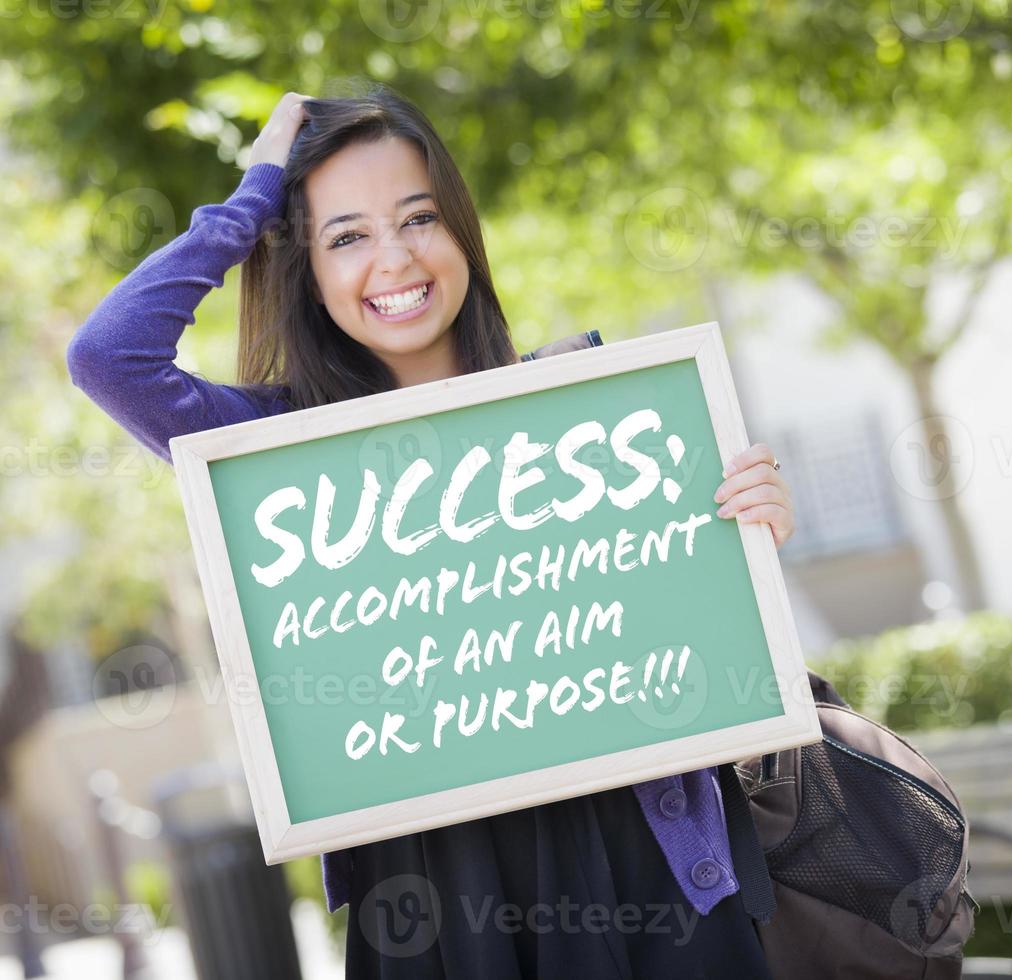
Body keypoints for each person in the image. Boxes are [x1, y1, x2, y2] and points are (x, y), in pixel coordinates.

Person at [66, 84, 797, 979]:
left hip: (644, 860)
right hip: (436, 900)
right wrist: (255, 192)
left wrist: (745, 538)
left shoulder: (591, 412)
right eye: (345, 236)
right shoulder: (269, 451)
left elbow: (691, 640)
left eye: (418, 218)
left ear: (459, 232)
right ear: (302, 265)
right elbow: (110, 356)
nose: (395, 258)